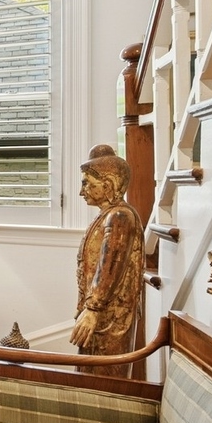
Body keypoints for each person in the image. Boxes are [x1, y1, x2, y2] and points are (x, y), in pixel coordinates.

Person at [70, 144, 144, 377]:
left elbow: (110, 267)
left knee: (102, 379)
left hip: (108, 319)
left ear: (108, 185)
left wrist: (93, 309)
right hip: (98, 316)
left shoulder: (120, 217)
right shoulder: (107, 216)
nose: (82, 192)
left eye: (86, 183)